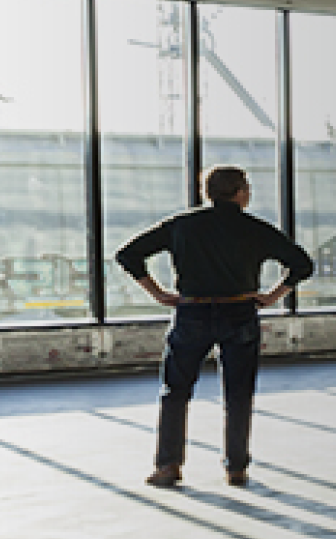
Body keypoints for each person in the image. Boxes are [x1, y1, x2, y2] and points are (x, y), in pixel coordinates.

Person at [116, 165, 313, 489]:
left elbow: (128, 255)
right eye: (247, 188)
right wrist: (271, 297)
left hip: (191, 312)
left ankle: (168, 465)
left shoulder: (181, 226)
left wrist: (160, 294)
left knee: (175, 391)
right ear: (240, 193)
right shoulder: (255, 229)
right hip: (239, 312)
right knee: (238, 394)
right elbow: (301, 264)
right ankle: (236, 468)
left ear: (208, 192)